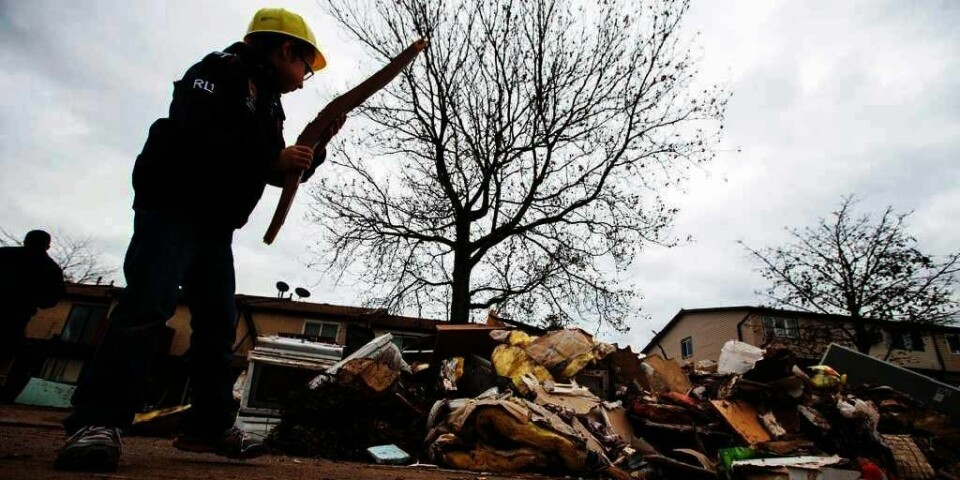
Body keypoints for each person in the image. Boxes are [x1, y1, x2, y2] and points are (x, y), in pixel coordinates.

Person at [54, 8, 345, 472]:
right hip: (173, 208)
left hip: (215, 224)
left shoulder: (269, 101)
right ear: (286, 49)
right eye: (306, 66)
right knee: (148, 306)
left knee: (216, 322)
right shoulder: (218, 72)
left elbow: (273, 167)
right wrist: (274, 157)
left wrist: (311, 153)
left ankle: (207, 426)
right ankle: (98, 421)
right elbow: (209, 138)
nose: (306, 78)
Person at [0, 230, 66, 397]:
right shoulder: (50, 268)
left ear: (25, 240)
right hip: (16, 314)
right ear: (47, 245)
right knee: (6, 350)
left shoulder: (4, 254)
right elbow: (51, 299)